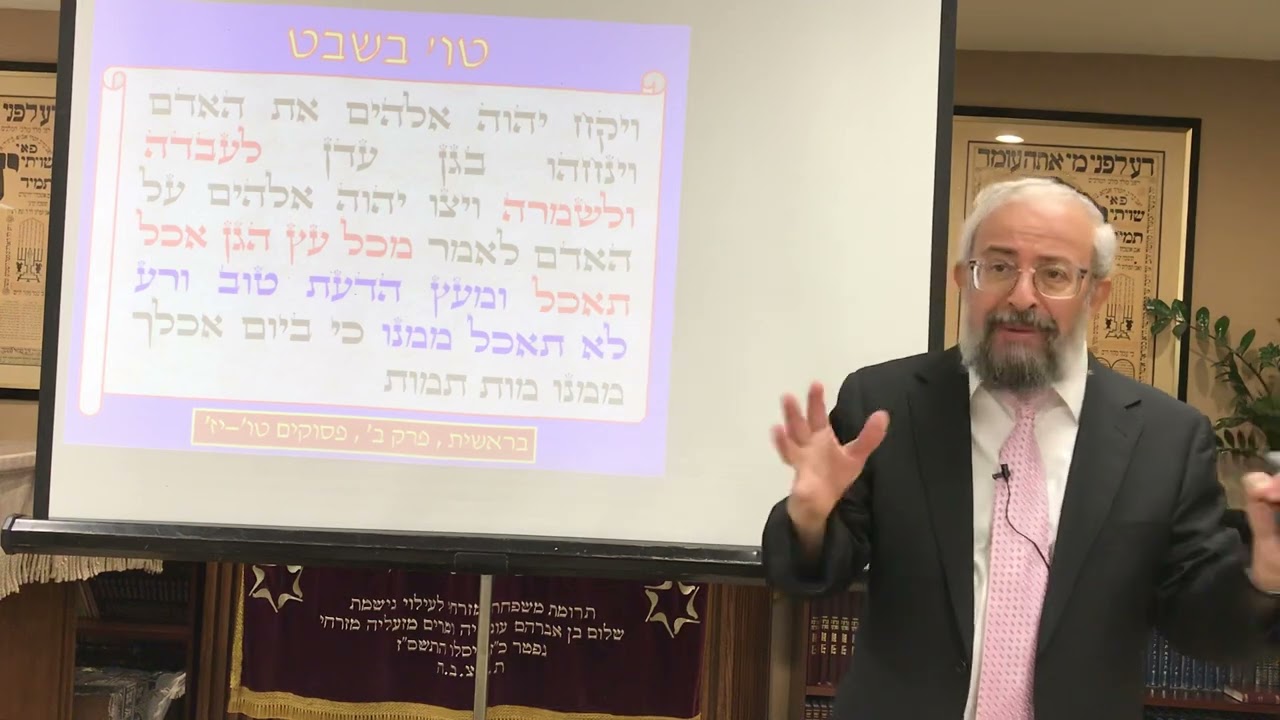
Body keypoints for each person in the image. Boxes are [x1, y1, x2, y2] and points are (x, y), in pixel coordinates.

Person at [761, 176, 1280, 720]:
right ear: (964, 279)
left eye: (1054, 274)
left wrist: (1266, 578)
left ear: (1096, 293)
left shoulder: (1166, 437)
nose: (1022, 296)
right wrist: (810, 520)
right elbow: (808, 576)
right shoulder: (884, 404)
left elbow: (1202, 628)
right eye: (999, 267)